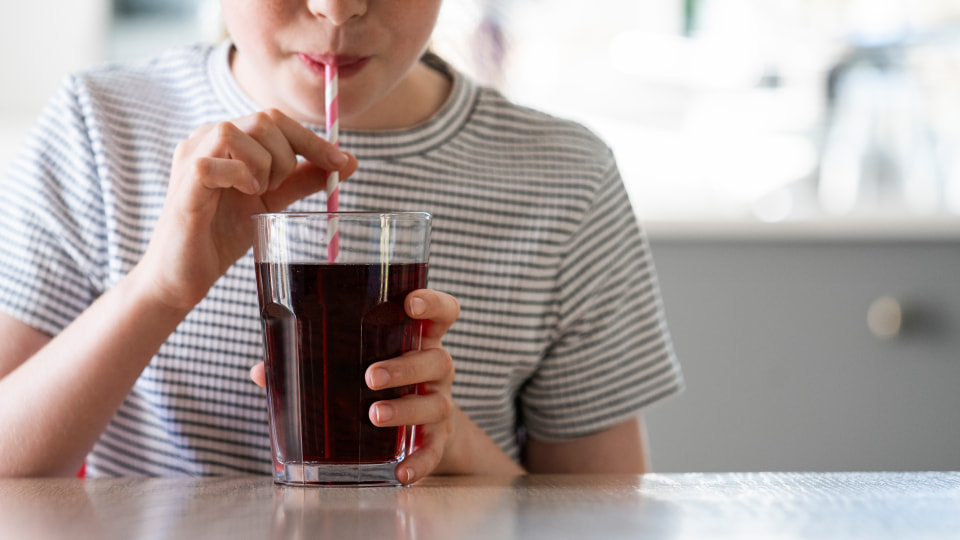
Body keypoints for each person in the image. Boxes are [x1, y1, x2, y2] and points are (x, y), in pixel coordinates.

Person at [0, 0, 682, 482]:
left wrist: (454, 450)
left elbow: (606, 515)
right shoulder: (100, 127)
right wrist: (159, 289)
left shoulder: (566, 177)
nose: (337, 8)